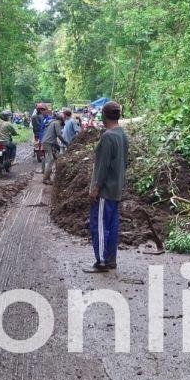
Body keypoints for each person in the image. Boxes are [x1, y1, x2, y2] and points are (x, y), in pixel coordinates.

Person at [85, 101, 128, 272]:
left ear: (103, 115)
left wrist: (95, 188)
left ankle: (102, 262)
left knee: (100, 227)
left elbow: (102, 166)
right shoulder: (122, 135)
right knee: (112, 226)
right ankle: (111, 259)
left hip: (105, 191)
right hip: (116, 188)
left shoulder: (108, 137)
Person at [41, 112, 65, 184]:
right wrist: (66, 142)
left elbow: (53, 136)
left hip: (46, 142)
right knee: (50, 160)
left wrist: (57, 145)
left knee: (49, 159)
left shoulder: (52, 122)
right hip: (48, 143)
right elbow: (59, 135)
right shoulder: (57, 123)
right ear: (60, 121)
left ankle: (46, 176)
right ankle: (45, 179)